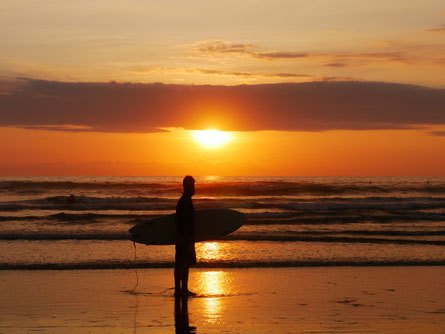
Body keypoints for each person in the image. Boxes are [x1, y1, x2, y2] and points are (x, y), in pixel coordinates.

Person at [174, 175, 197, 296]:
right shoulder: (184, 201)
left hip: (184, 235)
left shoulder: (185, 200)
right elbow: (182, 220)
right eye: (191, 186)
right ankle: (179, 289)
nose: (194, 188)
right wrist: (185, 235)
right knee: (182, 262)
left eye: (194, 185)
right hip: (184, 236)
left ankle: (182, 289)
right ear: (186, 186)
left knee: (184, 262)